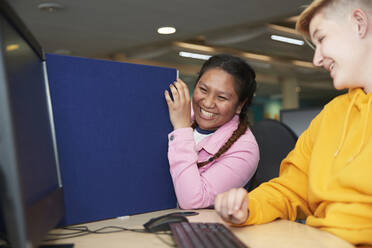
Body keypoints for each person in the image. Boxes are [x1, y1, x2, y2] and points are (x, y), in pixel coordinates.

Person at [214, 0, 372, 246]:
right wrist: (247, 206)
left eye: (321, 39)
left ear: (359, 24)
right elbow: (289, 189)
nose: (317, 59)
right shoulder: (331, 115)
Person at [164, 54, 259, 209]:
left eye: (221, 97)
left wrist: (181, 128)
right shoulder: (181, 114)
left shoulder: (245, 150)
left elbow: (193, 201)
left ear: (240, 105)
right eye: (203, 89)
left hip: (199, 227)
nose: (208, 103)